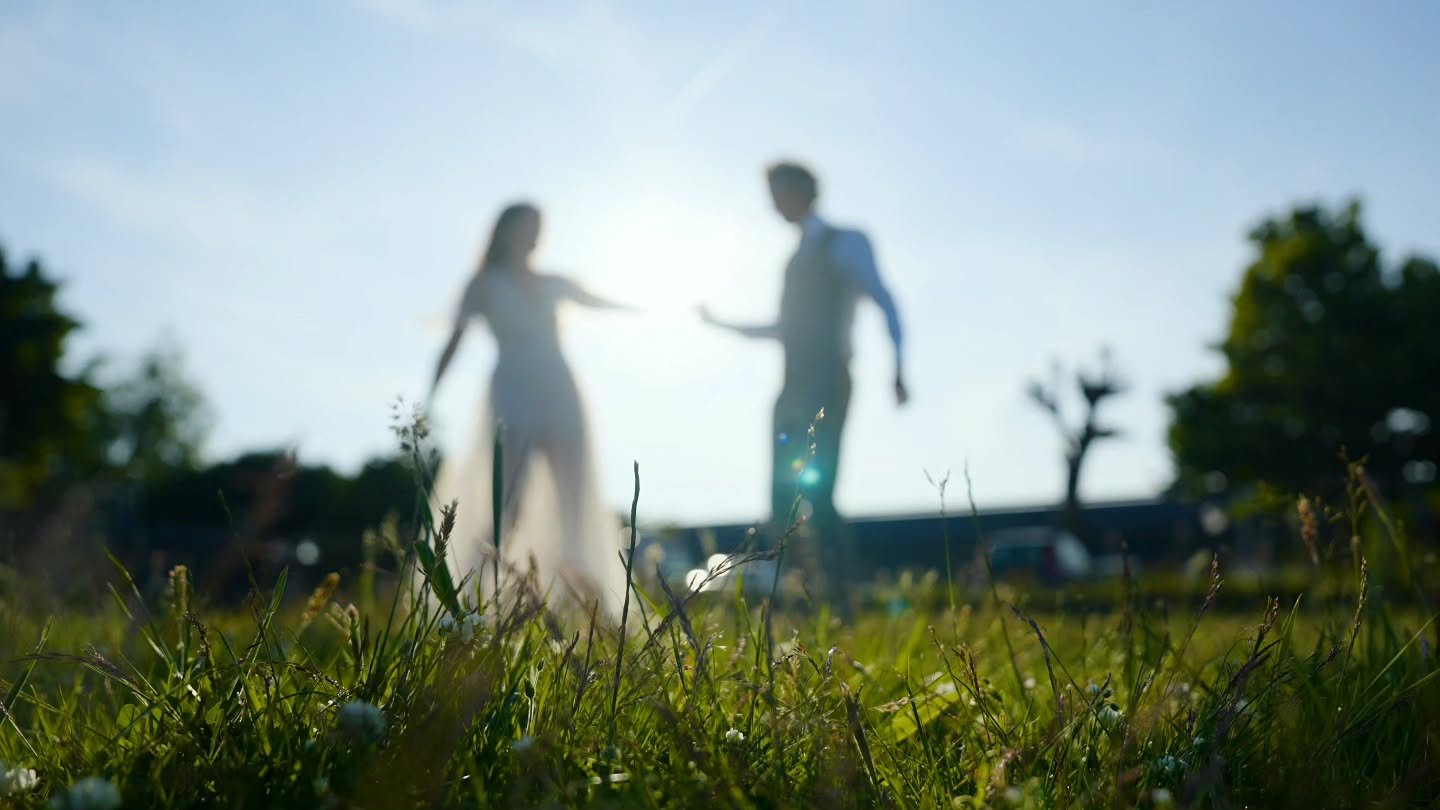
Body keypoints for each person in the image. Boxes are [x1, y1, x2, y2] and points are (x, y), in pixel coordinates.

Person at [699, 161, 907, 604]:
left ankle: (838, 595)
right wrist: (721, 325)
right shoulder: (793, 259)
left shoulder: (845, 242)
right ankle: (793, 594)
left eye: (779, 193)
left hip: (828, 381)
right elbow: (784, 328)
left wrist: (899, 368)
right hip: (791, 385)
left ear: (805, 191)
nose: (774, 204)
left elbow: (885, 300)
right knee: (780, 494)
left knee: (821, 493)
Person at [428, 202, 634, 616]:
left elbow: (601, 302)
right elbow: (455, 338)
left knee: (575, 500)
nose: (535, 234)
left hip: (560, 388)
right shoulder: (483, 283)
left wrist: (658, 307)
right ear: (504, 230)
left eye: (539, 227)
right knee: (507, 501)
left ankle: (593, 610)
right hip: (513, 390)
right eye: (527, 226)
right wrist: (431, 395)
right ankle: (467, 603)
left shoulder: (554, 281)